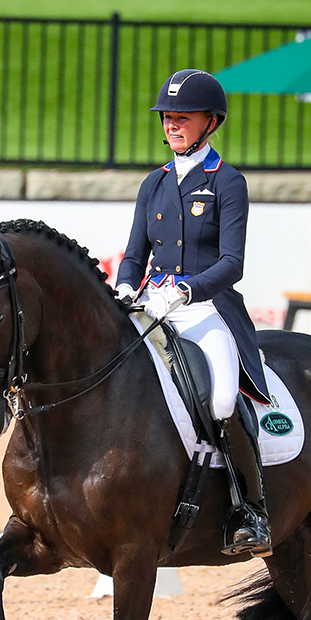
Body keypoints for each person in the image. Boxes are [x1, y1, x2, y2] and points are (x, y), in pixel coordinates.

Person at [114, 69, 272, 557]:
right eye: (167, 116)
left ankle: (252, 510)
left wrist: (185, 290)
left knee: (222, 399)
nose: (172, 124)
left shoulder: (227, 182)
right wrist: (123, 285)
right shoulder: (153, 184)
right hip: (152, 304)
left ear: (210, 122)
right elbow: (135, 253)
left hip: (207, 311)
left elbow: (233, 264)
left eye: (183, 116)